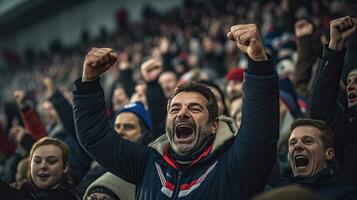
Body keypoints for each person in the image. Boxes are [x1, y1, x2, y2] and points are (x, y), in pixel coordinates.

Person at [73, 23, 279, 199]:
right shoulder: (147, 164)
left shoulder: (234, 165)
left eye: (195, 108)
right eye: (175, 109)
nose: (182, 113)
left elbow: (259, 133)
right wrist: (89, 81)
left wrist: (259, 64)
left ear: (214, 124)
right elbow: (95, 136)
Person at [309, 16, 357, 186]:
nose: (351, 86)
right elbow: (320, 111)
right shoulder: (347, 126)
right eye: (349, 82)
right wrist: (334, 47)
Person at [282, 119, 357, 200]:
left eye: (308, 141)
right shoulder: (278, 190)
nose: (297, 146)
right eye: (292, 143)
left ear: (329, 154)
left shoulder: (346, 195)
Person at [0, 137, 78, 200]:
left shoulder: (74, 196)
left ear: (65, 167)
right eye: (37, 161)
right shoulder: (16, 193)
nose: (43, 166)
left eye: (51, 161)